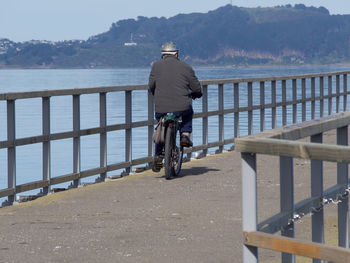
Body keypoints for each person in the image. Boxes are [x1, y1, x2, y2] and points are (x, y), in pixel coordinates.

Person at [148, 42, 202, 172]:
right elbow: (196, 88)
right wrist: (196, 94)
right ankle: (184, 134)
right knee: (188, 112)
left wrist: (157, 95)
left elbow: (151, 86)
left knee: (161, 125)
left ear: (163, 55)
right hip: (181, 106)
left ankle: (158, 156)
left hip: (161, 107)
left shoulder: (156, 66)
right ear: (176, 54)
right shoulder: (186, 66)